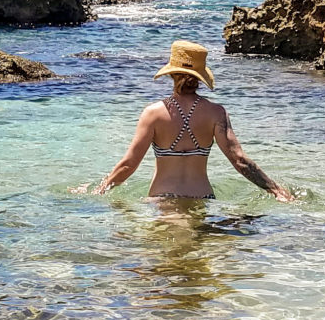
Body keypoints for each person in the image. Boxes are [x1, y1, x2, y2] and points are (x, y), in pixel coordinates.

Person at [91, 40, 293, 201]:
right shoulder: (216, 113)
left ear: (171, 74)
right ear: (200, 76)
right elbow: (239, 160)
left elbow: (128, 165)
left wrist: (101, 188)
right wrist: (275, 190)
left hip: (162, 200)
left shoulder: (152, 114)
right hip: (203, 199)